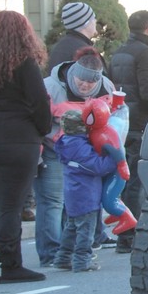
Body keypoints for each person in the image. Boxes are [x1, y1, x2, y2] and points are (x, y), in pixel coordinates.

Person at [42, 1, 115, 250]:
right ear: (85, 22)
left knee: (68, 194)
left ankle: (69, 244)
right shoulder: (80, 51)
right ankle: (67, 247)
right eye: (93, 18)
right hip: (73, 135)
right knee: (70, 193)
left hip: (62, 133)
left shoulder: (60, 47)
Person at [0, 10, 51, 283]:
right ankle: (11, 264)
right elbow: (40, 103)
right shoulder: (25, 63)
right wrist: (42, 130)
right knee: (9, 206)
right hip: (18, 139)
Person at [110, 10, 148, 253]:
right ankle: (130, 235)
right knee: (136, 182)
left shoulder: (120, 52)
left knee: (123, 182)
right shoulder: (145, 53)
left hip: (121, 123)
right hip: (141, 124)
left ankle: (123, 232)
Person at [51, 110, 119, 273]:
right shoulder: (79, 146)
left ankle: (63, 257)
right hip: (86, 195)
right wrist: (114, 158)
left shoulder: (67, 142)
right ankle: (82, 260)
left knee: (71, 227)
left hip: (73, 194)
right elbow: (97, 166)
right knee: (85, 230)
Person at [46, 2, 99, 74]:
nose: (95, 21)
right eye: (93, 18)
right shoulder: (85, 52)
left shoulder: (58, 48)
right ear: (85, 23)